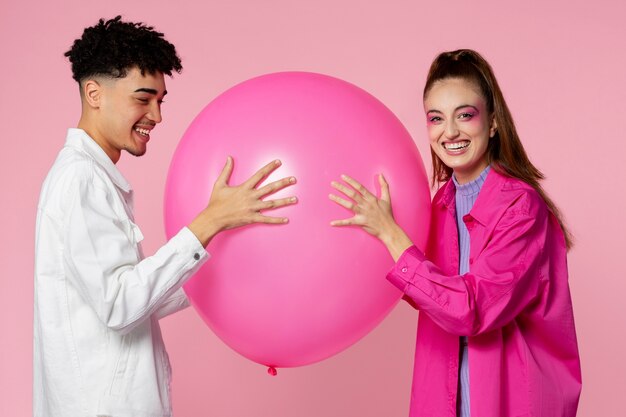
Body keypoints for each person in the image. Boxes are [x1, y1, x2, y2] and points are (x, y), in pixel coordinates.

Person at [33, 16, 297, 417]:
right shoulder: (81, 179)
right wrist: (209, 222)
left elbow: (135, 301)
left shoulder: (92, 176)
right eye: (143, 98)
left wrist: (227, 252)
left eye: (160, 100)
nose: (156, 116)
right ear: (94, 93)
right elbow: (120, 305)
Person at [329, 49, 581, 417]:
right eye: (436, 118)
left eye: (465, 115)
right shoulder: (439, 205)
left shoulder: (521, 209)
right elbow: (423, 291)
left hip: (511, 405)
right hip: (443, 401)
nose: (450, 132)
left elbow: (472, 309)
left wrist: (392, 234)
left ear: (492, 122)